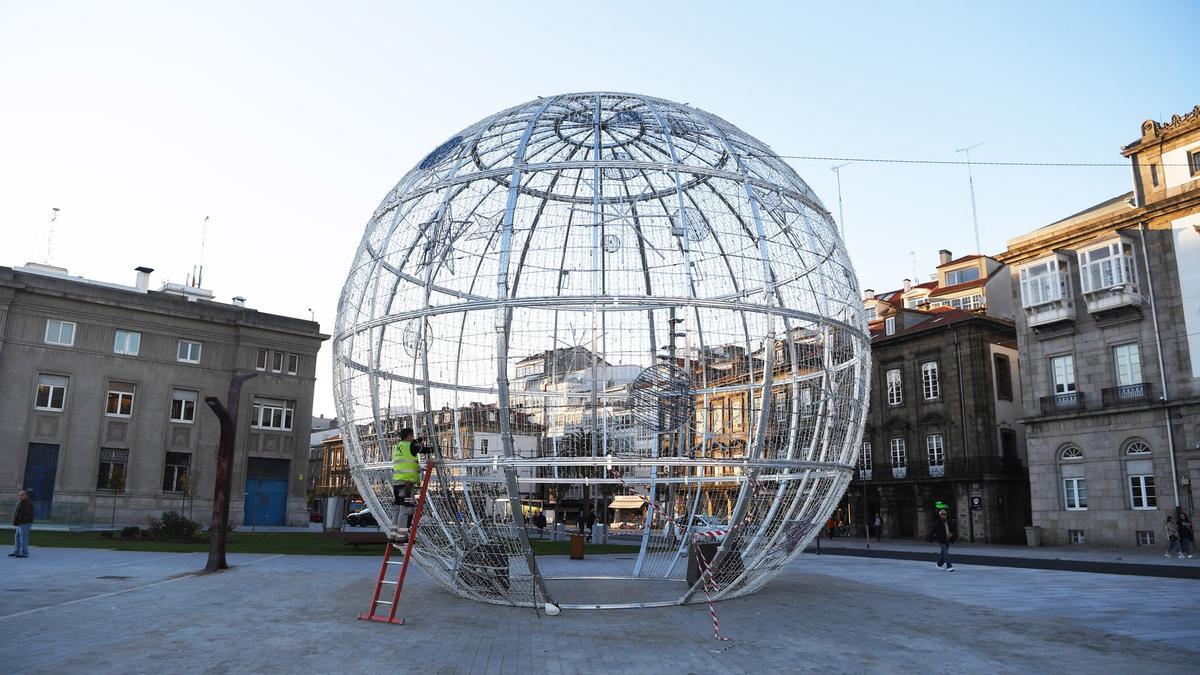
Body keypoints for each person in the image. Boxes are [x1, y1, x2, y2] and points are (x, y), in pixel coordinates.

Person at [391, 428, 432, 543]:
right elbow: (423, 449)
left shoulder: (399, 445)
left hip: (398, 483)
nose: (413, 438)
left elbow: (413, 445)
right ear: (409, 436)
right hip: (407, 485)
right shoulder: (410, 446)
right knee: (406, 510)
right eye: (412, 436)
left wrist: (418, 440)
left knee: (398, 509)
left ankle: (393, 535)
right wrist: (435, 449)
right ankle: (402, 536)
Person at [10, 489, 33, 558]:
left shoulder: (28, 503)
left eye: (22, 495)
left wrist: (22, 522)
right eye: (19, 495)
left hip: (25, 523)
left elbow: (28, 515)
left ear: (26, 495)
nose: (20, 496)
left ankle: (25, 553)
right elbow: (18, 513)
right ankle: (17, 551)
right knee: (17, 537)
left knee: (23, 539)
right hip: (20, 523)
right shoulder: (21, 502)